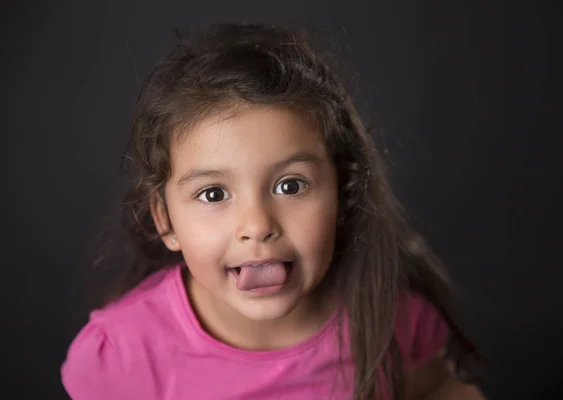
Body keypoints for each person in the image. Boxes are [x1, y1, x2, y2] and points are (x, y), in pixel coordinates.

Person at [61, 24, 486, 399]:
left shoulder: (387, 321)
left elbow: (441, 389)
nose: (258, 225)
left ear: (341, 193)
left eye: (290, 186)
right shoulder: (121, 356)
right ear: (165, 220)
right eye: (213, 194)